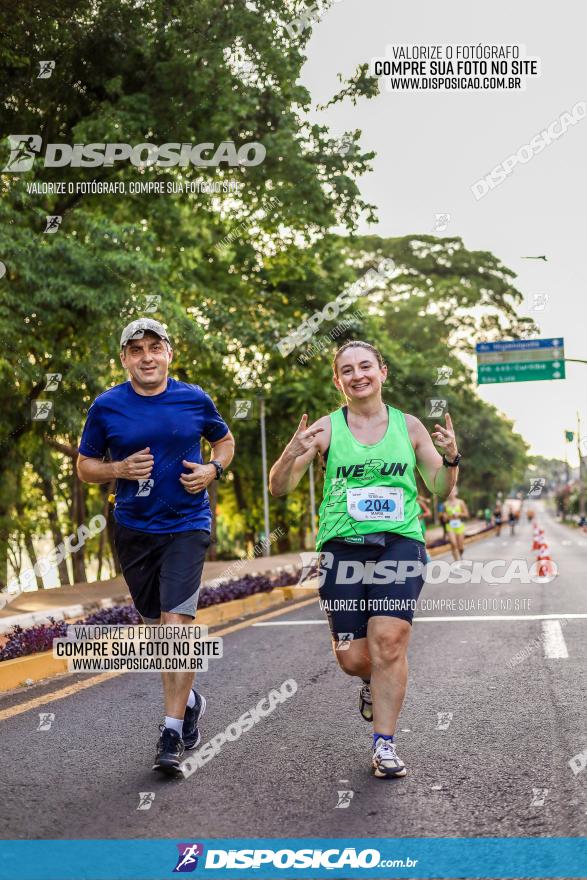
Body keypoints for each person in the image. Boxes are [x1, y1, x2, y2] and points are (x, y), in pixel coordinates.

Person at [269, 340, 461, 779]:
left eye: (366, 367)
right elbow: (279, 487)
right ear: (338, 380)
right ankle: (370, 684)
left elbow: (438, 485)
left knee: (389, 642)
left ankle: (385, 744)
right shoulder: (325, 429)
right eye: (348, 370)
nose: (358, 375)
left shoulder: (409, 426)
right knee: (353, 659)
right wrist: (292, 451)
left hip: (400, 543)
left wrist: (451, 458)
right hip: (341, 549)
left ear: (382, 372)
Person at [77, 318, 235, 776]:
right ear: (125, 358)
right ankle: (189, 701)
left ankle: (170, 730)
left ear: (169, 353)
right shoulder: (107, 407)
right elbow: (86, 466)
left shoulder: (194, 398)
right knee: (155, 629)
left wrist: (213, 471)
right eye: (137, 349)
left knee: (175, 625)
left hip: (187, 524)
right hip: (133, 529)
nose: (147, 356)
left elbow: (224, 442)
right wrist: (119, 470)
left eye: (155, 347)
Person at [444, 486, 469, 561]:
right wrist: (446, 517)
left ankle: (461, 554)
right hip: (450, 525)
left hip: (459, 525)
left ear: (456, 492)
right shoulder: (445, 504)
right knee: (453, 543)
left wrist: (459, 514)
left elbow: (466, 514)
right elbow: (444, 517)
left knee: (460, 546)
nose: (451, 493)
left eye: (453, 491)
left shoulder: (461, 502)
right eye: (449, 491)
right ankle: (456, 561)